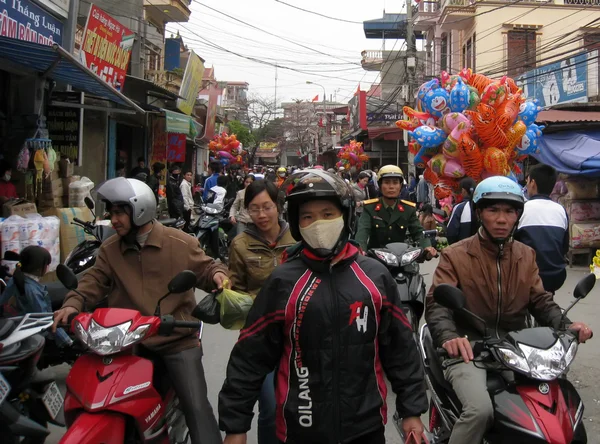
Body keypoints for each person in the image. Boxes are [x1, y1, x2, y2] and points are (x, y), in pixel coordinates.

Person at [219, 169, 428, 444]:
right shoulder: (283, 281)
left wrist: (412, 411)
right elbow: (249, 358)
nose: (318, 223)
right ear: (297, 223)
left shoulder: (374, 277)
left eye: (328, 214)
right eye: (308, 216)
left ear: (345, 216)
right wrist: (236, 427)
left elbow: (401, 350)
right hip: (299, 428)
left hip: (365, 427)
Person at [52, 177, 228, 444]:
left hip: (174, 340)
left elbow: (207, 268)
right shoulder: (110, 249)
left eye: (120, 212)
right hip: (124, 342)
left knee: (196, 407)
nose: (114, 220)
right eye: (111, 213)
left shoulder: (179, 243)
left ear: (140, 210)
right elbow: (93, 281)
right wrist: (71, 305)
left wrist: (218, 277)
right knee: (91, 395)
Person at [425, 176, 593, 444]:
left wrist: (567, 325)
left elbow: (541, 301)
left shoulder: (526, 255)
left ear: (518, 215)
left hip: (517, 349)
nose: (502, 219)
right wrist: (449, 337)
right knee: (480, 411)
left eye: (509, 211)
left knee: (555, 403)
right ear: (480, 213)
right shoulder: (455, 255)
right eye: (493, 210)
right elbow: (437, 304)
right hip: (471, 348)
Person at [227, 179, 296, 444]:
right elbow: (237, 290)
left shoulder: (298, 238)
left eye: (267, 207)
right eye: (254, 209)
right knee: (270, 407)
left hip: (300, 334)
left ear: (278, 206)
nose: (262, 215)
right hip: (261, 338)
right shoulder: (240, 245)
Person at [355, 165, 437, 255]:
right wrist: (360, 250)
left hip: (401, 256)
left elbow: (418, 232)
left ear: (400, 186)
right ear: (380, 185)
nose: (391, 187)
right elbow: (362, 232)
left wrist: (427, 247)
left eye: (395, 183)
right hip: (375, 259)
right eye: (386, 182)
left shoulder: (408, 209)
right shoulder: (370, 207)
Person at [0, 246, 71, 348]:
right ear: (38, 268)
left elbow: (2, 300)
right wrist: (66, 341)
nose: (48, 268)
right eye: (47, 265)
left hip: (19, 326)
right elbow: (45, 319)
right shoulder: (33, 290)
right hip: (36, 334)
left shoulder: (16, 279)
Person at [515, 164, 569, 294]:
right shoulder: (560, 210)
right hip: (556, 276)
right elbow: (564, 248)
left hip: (527, 276)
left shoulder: (522, 209)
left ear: (532, 183)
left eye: (527, 181)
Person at [446, 177, 478, 245]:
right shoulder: (482, 206)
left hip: (462, 250)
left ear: (463, 191)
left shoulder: (460, 207)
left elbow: (451, 233)